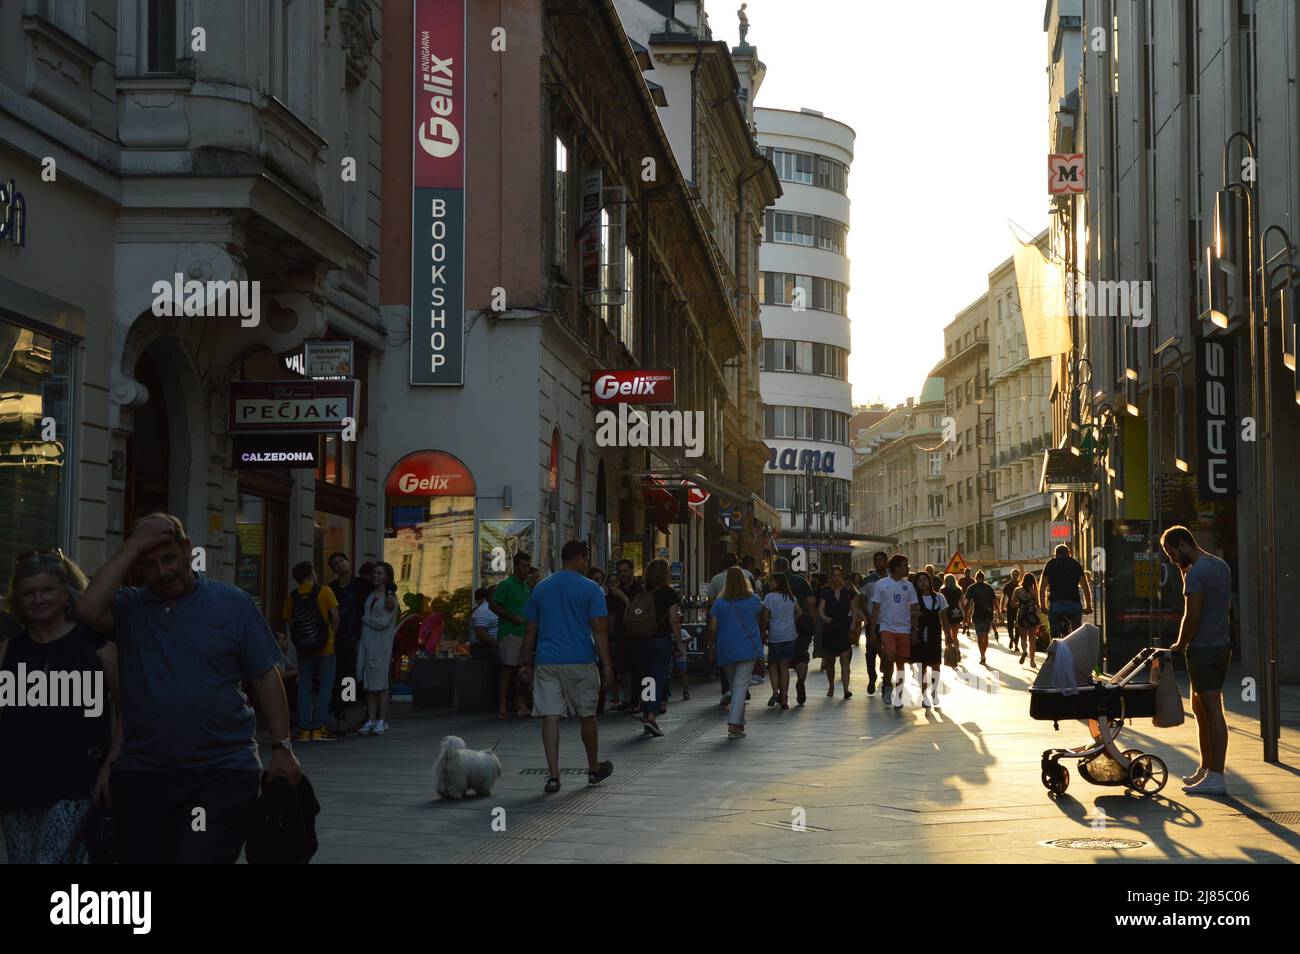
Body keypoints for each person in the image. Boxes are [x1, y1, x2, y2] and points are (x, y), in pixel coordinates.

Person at [77, 513, 300, 864]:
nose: (163, 571)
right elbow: (88, 609)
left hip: (221, 772)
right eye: (149, 564)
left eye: (169, 558)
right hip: (144, 775)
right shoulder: (130, 608)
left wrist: (282, 747)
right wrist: (132, 547)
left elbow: (265, 677)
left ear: (187, 549)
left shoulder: (231, 602)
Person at [1, 550, 120, 864]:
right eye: (29, 592)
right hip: (16, 784)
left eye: (48, 590)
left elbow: (129, 714)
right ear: (18, 598)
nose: (38, 599)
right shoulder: (8, 651)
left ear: (67, 592)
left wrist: (110, 767)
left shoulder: (99, 649)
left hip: (76, 784)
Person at [519, 540, 615, 793]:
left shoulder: (541, 588)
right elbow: (599, 628)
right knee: (587, 714)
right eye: (586, 558)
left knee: (550, 716)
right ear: (580, 557)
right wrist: (607, 665)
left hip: (547, 661)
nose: (587, 564)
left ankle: (553, 775)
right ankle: (593, 768)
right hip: (580, 660)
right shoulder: (592, 588)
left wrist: (525, 662)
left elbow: (530, 628)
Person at [1162, 525, 1233, 796]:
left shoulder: (1196, 573)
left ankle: (1216, 775)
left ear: (1183, 544)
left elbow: (1192, 617)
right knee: (1200, 708)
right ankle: (1206, 768)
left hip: (1203, 648)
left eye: (1172, 554)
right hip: (1221, 645)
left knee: (1212, 710)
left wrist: (1179, 644)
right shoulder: (1220, 565)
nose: (1172, 560)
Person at [281, 561, 340, 741]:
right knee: (326, 686)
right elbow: (335, 617)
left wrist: (299, 641)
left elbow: (289, 621)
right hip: (325, 648)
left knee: (304, 687)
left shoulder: (293, 596)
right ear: (312, 573)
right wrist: (331, 637)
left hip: (304, 650)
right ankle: (319, 728)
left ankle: (305, 729)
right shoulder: (325, 591)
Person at [708, 567, 767, 738]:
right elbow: (764, 611)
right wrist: (762, 628)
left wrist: (711, 646)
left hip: (726, 648)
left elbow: (713, 627)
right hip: (747, 647)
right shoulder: (753, 600)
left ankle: (738, 724)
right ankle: (734, 724)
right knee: (740, 685)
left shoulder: (720, 602)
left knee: (735, 685)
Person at [631, 559, 682, 737]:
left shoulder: (642, 591)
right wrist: (679, 642)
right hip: (660, 640)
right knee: (657, 678)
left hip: (639, 640)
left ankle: (647, 713)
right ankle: (651, 717)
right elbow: (674, 619)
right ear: (664, 573)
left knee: (647, 679)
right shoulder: (669, 593)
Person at [869, 554, 918, 708]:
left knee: (900, 663)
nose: (907, 568)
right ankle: (887, 685)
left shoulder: (909, 586)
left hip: (904, 629)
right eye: (904, 565)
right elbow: (876, 608)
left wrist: (915, 629)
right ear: (896, 567)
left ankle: (899, 693)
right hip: (887, 628)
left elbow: (914, 608)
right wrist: (872, 631)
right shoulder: (881, 584)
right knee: (889, 657)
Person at [356, 562, 398, 736]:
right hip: (367, 642)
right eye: (374, 572)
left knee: (381, 683)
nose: (376, 575)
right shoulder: (370, 594)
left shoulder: (391, 598)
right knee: (369, 684)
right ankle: (371, 719)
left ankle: (382, 720)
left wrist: (365, 619)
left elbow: (382, 622)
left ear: (387, 576)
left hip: (381, 644)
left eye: (380, 573)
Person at [490, 552, 532, 719]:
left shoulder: (526, 586)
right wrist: (511, 617)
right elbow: (493, 605)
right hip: (510, 633)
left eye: (528, 566)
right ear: (516, 566)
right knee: (508, 669)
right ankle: (502, 705)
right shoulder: (506, 584)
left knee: (523, 671)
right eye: (524, 566)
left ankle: (520, 704)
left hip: (524, 633)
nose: (526, 569)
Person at [325, 552, 361, 735]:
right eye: (335, 563)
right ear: (333, 569)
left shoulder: (359, 584)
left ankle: (349, 710)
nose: (340, 564)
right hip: (338, 639)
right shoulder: (331, 588)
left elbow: (385, 584)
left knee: (351, 677)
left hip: (357, 637)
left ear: (348, 562)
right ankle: (341, 716)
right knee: (339, 677)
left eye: (341, 561)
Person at [772, 557, 816, 706]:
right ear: (788, 566)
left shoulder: (771, 583)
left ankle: (781, 693)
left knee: (780, 661)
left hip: (778, 627)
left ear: (775, 567)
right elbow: (811, 603)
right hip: (800, 625)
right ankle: (800, 680)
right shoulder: (801, 581)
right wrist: (813, 624)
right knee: (801, 655)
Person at [603, 559, 642, 712]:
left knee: (638, 668)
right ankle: (627, 699)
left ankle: (639, 702)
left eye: (625, 570)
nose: (622, 574)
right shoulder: (614, 592)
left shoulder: (639, 589)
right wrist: (611, 635)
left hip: (637, 633)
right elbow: (610, 615)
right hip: (621, 634)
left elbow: (637, 610)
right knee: (624, 669)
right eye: (620, 571)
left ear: (632, 571)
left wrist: (623, 598)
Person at [817, 566, 856, 699]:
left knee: (845, 661)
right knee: (830, 662)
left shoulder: (849, 593)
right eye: (834, 575)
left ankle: (846, 690)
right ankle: (831, 686)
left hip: (844, 629)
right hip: (829, 630)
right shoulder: (826, 593)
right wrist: (824, 617)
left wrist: (853, 623)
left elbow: (854, 610)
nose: (837, 578)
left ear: (842, 577)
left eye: (839, 575)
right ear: (831, 577)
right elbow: (820, 609)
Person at [761, 572, 799, 709]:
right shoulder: (791, 598)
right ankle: (784, 699)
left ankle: (775, 692)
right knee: (784, 666)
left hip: (775, 635)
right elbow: (800, 613)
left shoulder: (769, 598)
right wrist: (791, 621)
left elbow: (765, 619)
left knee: (773, 664)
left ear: (777, 583)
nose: (769, 583)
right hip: (790, 635)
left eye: (771, 581)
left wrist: (764, 631)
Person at [911, 570, 947, 709]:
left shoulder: (939, 597)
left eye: (925, 580)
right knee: (922, 666)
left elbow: (944, 617)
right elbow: (910, 614)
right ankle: (924, 694)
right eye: (919, 581)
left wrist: (949, 636)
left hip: (935, 634)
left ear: (929, 581)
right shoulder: (914, 599)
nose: (922, 583)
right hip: (920, 634)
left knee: (936, 665)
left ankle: (934, 690)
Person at [855, 551, 889, 694]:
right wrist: (868, 617)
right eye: (877, 560)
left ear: (886, 562)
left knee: (888, 652)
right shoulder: (868, 580)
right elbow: (861, 600)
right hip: (872, 622)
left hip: (888, 622)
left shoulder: (892, 578)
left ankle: (887, 678)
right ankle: (871, 678)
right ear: (874, 563)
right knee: (871, 651)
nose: (879, 562)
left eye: (882, 560)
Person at [1040, 544, 1092, 638]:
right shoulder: (1075, 564)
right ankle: (1075, 642)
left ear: (1055, 554)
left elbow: (1042, 587)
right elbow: (1085, 587)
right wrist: (1088, 606)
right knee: (1076, 635)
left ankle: (1055, 644)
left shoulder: (1050, 564)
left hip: (1056, 605)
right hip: (1074, 604)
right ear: (1069, 553)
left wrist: (1043, 607)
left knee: (1055, 637)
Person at [1011, 572, 1043, 668]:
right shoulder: (1034, 591)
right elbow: (1038, 605)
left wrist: (1021, 604)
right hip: (1032, 615)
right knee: (1032, 638)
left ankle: (1024, 651)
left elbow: (1012, 604)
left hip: (1022, 614)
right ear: (1033, 581)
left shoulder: (1017, 590)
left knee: (1023, 637)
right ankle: (1032, 661)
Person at [965, 571, 997, 668]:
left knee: (979, 636)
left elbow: (968, 603)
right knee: (985, 635)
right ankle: (983, 653)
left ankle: (982, 655)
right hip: (988, 614)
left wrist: (966, 615)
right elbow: (994, 600)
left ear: (975, 578)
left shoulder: (972, 588)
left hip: (977, 615)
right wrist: (998, 613)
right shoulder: (989, 587)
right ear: (983, 578)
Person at [470, 586, 500, 668]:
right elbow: (481, 635)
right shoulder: (484, 610)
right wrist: (499, 645)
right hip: (483, 648)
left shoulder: (495, 608)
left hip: (491, 647)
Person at [939, 572, 965, 651]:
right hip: (956, 613)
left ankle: (949, 650)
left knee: (947, 635)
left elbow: (940, 603)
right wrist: (965, 615)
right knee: (955, 635)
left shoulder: (942, 590)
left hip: (945, 614)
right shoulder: (958, 590)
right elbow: (963, 603)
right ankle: (956, 651)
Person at [1000, 568, 1022, 653]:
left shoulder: (1020, 584)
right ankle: (1011, 638)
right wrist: (1001, 607)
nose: (1014, 576)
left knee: (1018, 626)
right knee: (1010, 625)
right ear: (1011, 575)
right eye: (1013, 574)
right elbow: (1003, 597)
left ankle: (1016, 644)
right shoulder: (1007, 585)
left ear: (1018, 575)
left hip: (1019, 607)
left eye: (1016, 574)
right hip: (1010, 607)